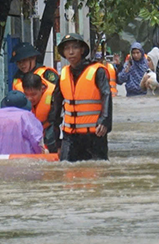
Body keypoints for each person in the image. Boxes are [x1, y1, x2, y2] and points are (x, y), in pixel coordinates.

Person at [48, 33, 112, 161]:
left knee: (97, 173)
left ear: (82, 50)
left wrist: (104, 120)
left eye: (74, 48)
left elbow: (106, 94)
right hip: (70, 137)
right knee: (67, 172)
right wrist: (56, 142)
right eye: (67, 49)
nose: (71, 52)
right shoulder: (63, 75)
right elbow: (55, 109)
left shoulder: (97, 71)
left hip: (94, 135)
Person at [21, 72, 57, 152]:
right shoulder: (19, 100)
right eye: (26, 94)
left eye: (33, 94)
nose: (30, 98)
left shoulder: (53, 98)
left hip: (50, 132)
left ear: (42, 89)